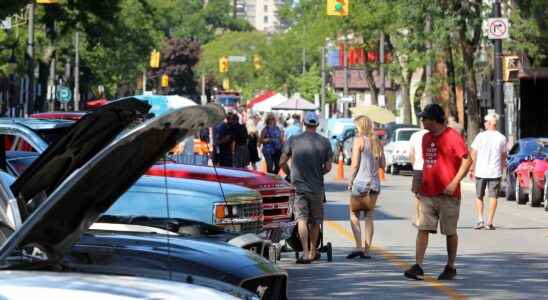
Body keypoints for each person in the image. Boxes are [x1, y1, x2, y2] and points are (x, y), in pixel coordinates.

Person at [404, 103, 471, 281]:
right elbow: (425, 163)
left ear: (434, 120)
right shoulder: (425, 138)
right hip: (427, 193)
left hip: (448, 195)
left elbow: (467, 160)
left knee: (449, 231)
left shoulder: (452, 136)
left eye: (424, 118)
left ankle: (450, 266)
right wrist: (418, 183)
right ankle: (418, 265)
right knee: (423, 228)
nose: (422, 121)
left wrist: (454, 183)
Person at [280, 111, 333, 264]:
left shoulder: (293, 140)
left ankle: (304, 252)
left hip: (298, 187)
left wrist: (290, 174)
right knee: (315, 221)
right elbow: (328, 167)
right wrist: (318, 172)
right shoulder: (325, 142)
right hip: (316, 188)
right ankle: (312, 251)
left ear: (304, 123)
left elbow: (282, 161)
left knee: (301, 219)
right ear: (316, 124)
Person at [346, 115, 385, 259]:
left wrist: (350, 181)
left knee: (354, 215)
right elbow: (383, 165)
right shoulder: (377, 142)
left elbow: (355, 164)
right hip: (374, 184)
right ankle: (367, 250)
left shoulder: (359, 141)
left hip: (360, 182)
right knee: (369, 217)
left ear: (361, 126)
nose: (356, 128)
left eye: (356, 126)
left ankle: (358, 246)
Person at [469, 112, 507, 230]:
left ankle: (480, 220)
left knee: (479, 195)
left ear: (490, 123)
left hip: (480, 171)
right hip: (495, 171)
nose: (484, 124)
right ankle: (489, 222)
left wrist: (471, 168)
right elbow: (504, 155)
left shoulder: (480, 136)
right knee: (493, 196)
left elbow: (473, 153)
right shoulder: (502, 137)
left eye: (486, 122)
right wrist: (501, 167)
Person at [409, 127, 429, 226]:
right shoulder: (436, 134)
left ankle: (418, 219)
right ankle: (429, 219)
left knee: (417, 195)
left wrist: (414, 165)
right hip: (432, 168)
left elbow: (412, 154)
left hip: (418, 168)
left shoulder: (415, 135)